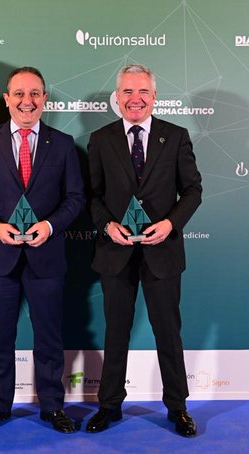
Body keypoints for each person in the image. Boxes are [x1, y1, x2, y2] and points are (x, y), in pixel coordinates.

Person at [0, 67, 85, 433]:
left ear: (44, 99)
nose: (26, 101)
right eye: (19, 93)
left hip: (46, 257)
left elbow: (75, 198)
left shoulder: (63, 144)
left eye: (34, 93)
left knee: (49, 337)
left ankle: (52, 407)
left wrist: (49, 226)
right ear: (6, 99)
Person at [85, 64, 202, 437]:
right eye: (127, 92)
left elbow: (193, 190)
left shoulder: (176, 136)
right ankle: (109, 405)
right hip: (115, 252)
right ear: (117, 97)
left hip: (162, 252)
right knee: (116, 332)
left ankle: (178, 407)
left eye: (142, 92)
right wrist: (108, 225)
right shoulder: (100, 139)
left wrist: (170, 224)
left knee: (168, 332)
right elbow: (92, 196)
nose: (135, 99)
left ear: (154, 97)